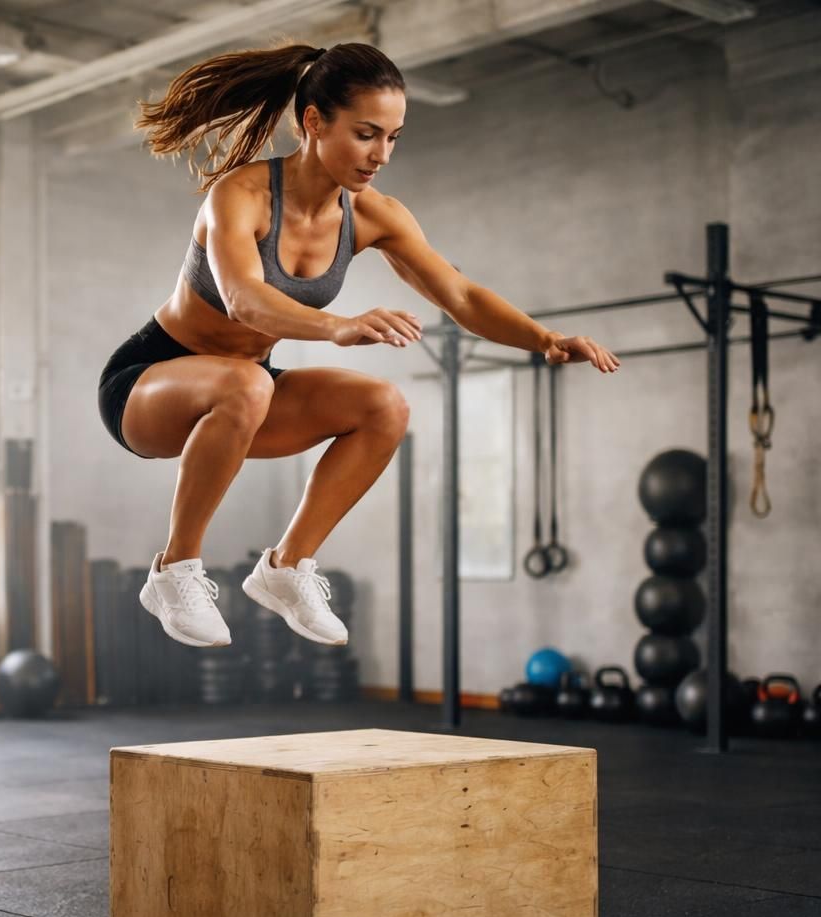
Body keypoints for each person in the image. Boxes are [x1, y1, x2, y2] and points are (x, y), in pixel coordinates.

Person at [102, 42, 619, 648]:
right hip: (150, 384)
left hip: (243, 399)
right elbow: (244, 300)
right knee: (246, 381)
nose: (381, 155)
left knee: (384, 406)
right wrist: (337, 326)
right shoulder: (240, 196)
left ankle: (286, 569)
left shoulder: (375, 215)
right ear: (314, 122)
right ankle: (174, 572)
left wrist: (546, 339)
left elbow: (460, 294)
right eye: (367, 134)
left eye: (394, 137)